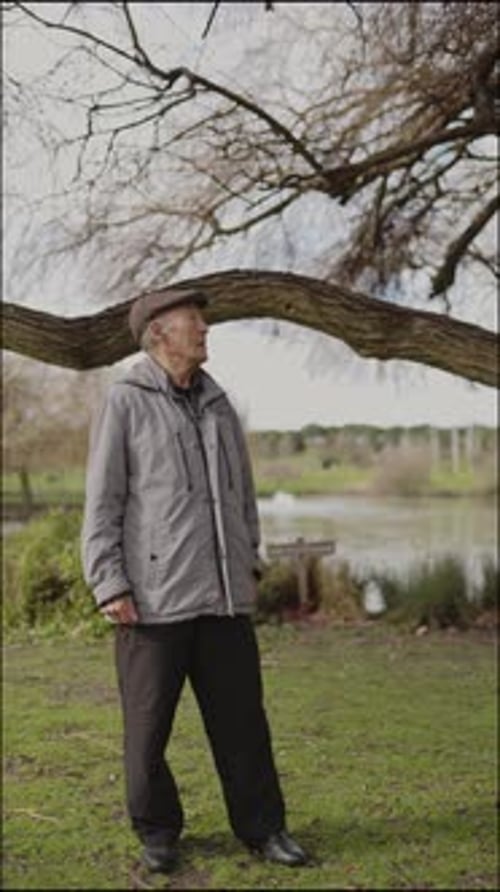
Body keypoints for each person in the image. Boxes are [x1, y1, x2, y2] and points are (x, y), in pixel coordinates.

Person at [81, 287, 308, 874]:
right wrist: (110, 582)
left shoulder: (219, 404)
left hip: (225, 598)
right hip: (153, 602)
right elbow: (103, 502)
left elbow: (243, 498)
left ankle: (265, 830)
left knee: (244, 728)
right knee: (148, 731)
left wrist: (249, 561)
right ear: (159, 332)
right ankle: (158, 833)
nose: (205, 327)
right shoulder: (125, 403)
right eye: (194, 319)